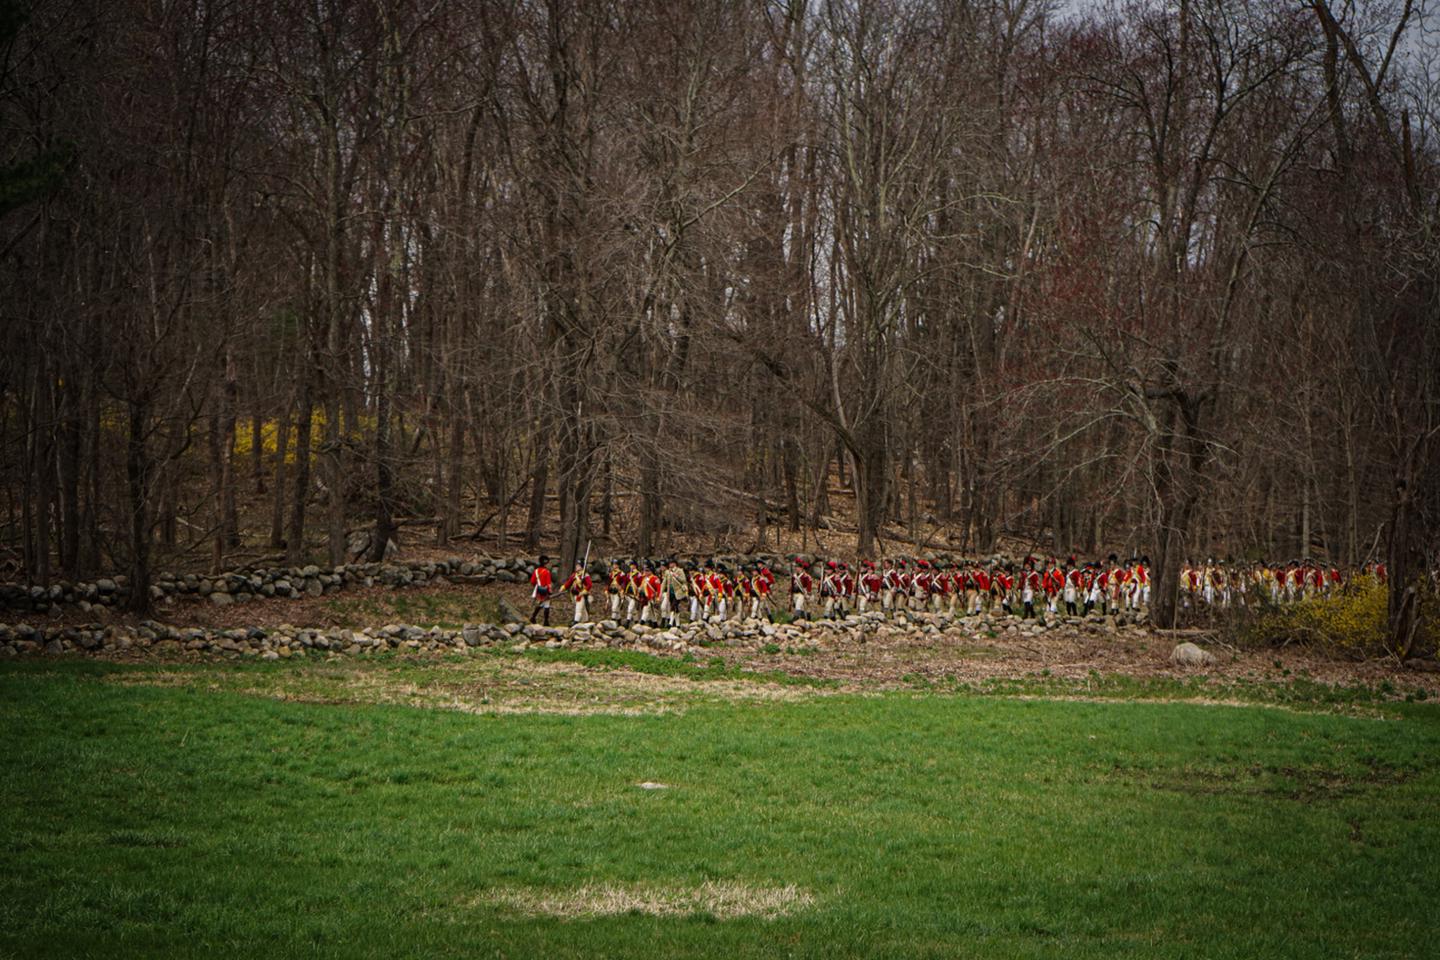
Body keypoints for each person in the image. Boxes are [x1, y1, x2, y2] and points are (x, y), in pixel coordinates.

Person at [529, 555, 554, 625]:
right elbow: (548, 583)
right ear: (545, 563)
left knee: (541, 603)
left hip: (538, 590)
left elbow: (532, 581)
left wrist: (537, 586)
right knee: (546, 605)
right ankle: (545, 621)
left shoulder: (536, 571)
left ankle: (533, 617)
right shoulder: (547, 572)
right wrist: (549, 591)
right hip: (545, 590)